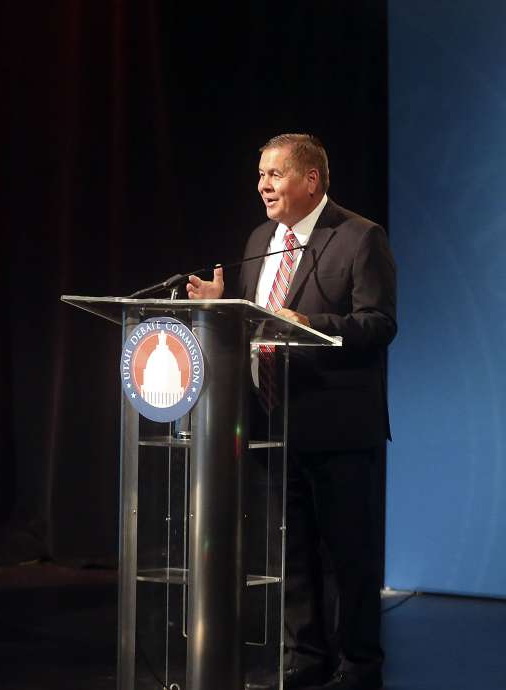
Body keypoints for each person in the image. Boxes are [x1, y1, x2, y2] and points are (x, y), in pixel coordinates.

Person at [186, 134, 396, 690]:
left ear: (312, 180)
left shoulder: (358, 237)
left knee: (350, 559)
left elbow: (379, 325)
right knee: (292, 552)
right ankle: (305, 658)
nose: (263, 185)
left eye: (275, 174)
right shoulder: (262, 239)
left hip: (339, 428)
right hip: (272, 425)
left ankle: (359, 666)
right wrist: (221, 311)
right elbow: (256, 325)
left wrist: (308, 324)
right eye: (260, 175)